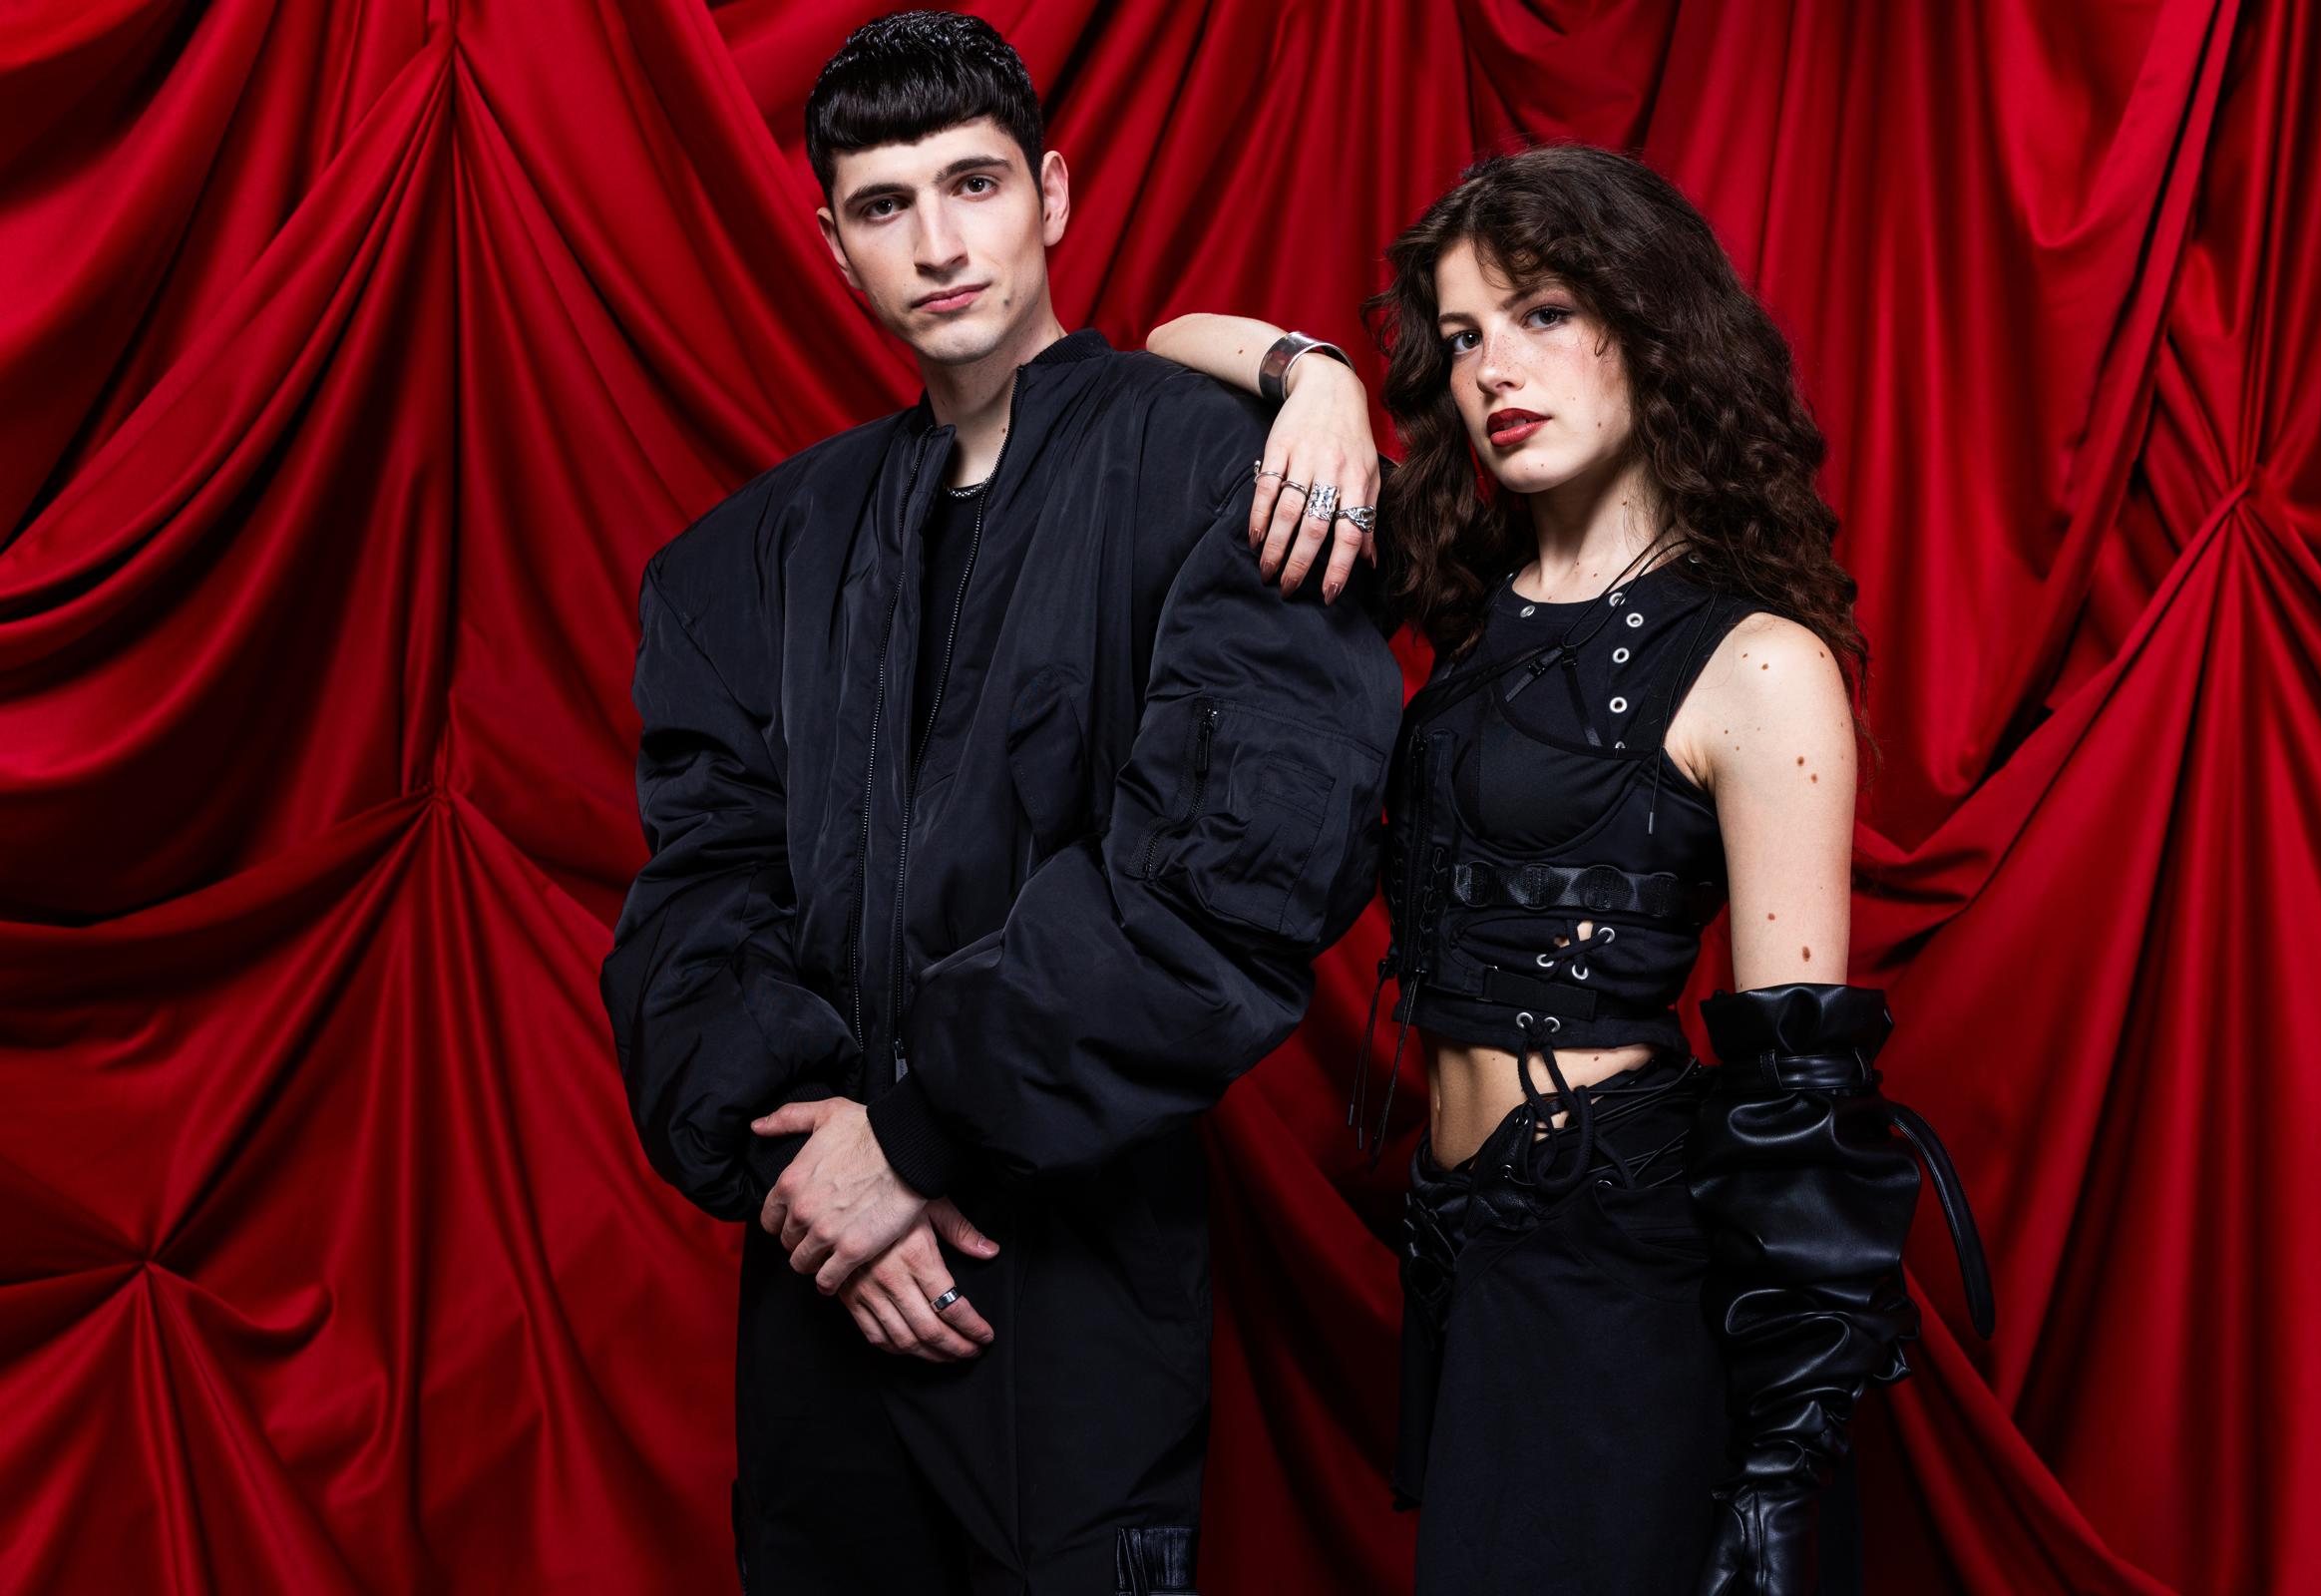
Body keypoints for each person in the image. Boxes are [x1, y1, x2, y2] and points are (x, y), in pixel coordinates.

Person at [595, 12, 1403, 1592]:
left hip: (1076, 1307)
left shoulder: (1211, 476)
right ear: (834, 248)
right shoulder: (748, 559)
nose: (940, 243)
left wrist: (916, 1132)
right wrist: (813, 1170)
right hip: (825, 1306)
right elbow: (692, 911)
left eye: (973, 185)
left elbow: (1225, 885)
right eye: (886, 207)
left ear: (1054, 195)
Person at [1147, 144, 1995, 1595]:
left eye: (1541, 313)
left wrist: (1780, 1477)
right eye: (1465, 336)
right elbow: (1164, 348)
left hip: (1617, 1260)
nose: (1492, 370)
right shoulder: (1464, 585)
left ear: (1650, 324)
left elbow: (1803, 1095)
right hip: (1466, 1256)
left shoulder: (1760, 663)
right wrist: (1328, 381)